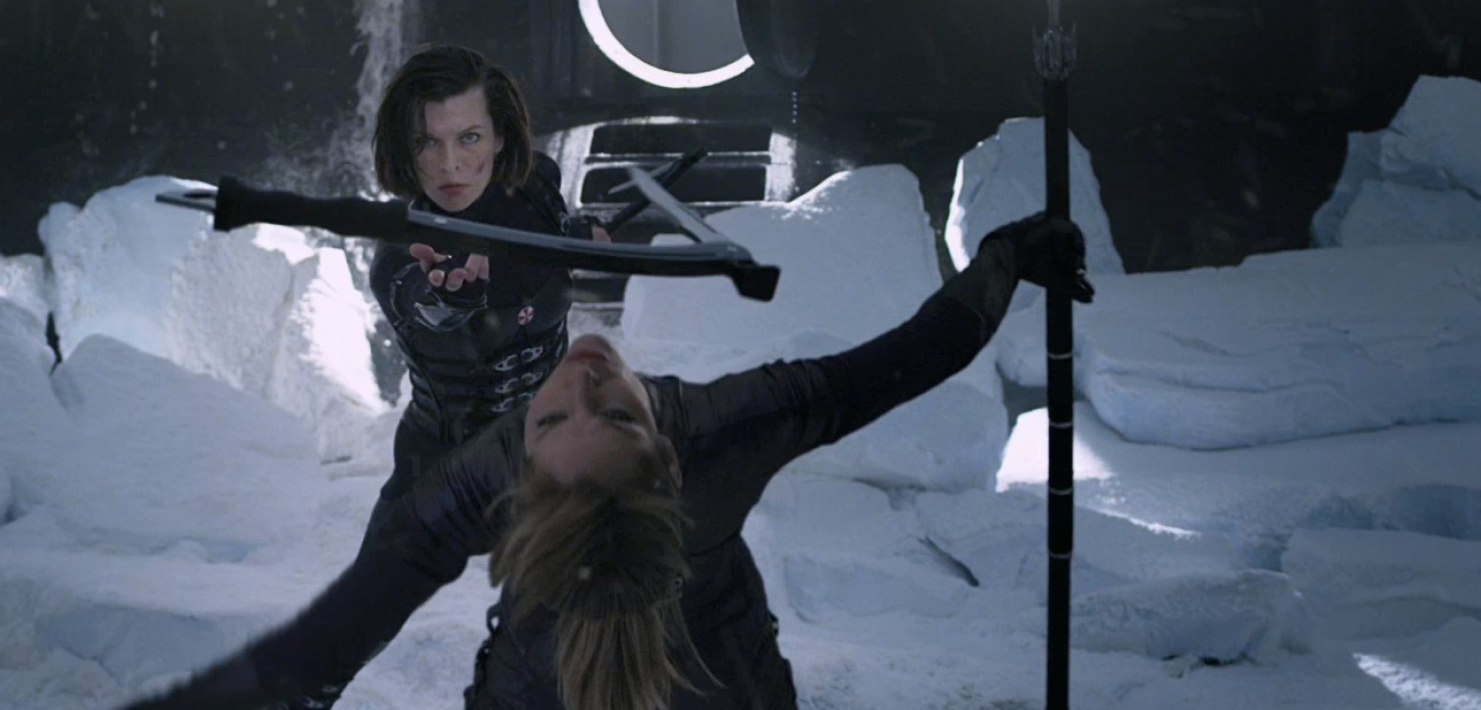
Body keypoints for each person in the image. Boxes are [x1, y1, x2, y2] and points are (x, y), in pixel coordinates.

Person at [118, 212, 1094, 710]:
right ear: (663, 454)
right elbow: (907, 360)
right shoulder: (722, 431)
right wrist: (1005, 260)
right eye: (613, 412)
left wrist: (1009, 258)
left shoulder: (492, 473)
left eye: (555, 417)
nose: (584, 375)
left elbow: (326, 641)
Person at [363, 45, 605, 537]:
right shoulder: (403, 252)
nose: (450, 165)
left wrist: (582, 236)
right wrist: (449, 296)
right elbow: (423, 302)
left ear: (500, 137)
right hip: (444, 468)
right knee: (377, 580)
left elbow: (551, 235)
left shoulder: (537, 187)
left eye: (469, 137)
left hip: (552, 450)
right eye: (426, 143)